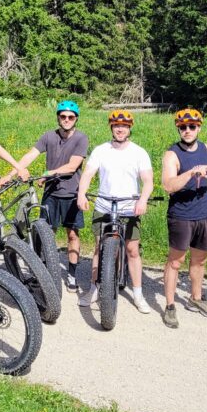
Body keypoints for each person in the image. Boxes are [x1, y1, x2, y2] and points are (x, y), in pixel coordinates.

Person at [0, 100, 88, 292]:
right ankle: (45, 272)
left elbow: (72, 166)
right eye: (63, 116)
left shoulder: (81, 138)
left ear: (76, 119)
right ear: (58, 117)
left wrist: (48, 174)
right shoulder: (49, 136)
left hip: (71, 193)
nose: (66, 120)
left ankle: (71, 274)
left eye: (70, 117)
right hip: (51, 193)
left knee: (72, 234)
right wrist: (11, 173)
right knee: (47, 233)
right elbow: (30, 156)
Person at [76, 109, 153, 313]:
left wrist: (142, 200)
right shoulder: (101, 150)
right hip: (103, 206)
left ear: (129, 129)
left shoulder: (139, 152)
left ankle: (138, 293)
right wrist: (81, 194)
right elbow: (87, 174)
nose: (120, 129)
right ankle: (94, 288)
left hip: (129, 208)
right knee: (99, 248)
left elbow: (148, 181)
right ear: (111, 127)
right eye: (117, 126)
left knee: (132, 250)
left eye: (124, 126)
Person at [160, 107, 207, 329]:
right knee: (175, 262)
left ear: (199, 127)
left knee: (200, 260)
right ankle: (169, 306)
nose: (187, 130)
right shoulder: (172, 154)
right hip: (181, 216)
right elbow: (168, 185)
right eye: (183, 127)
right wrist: (190, 173)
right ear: (178, 128)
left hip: (203, 214)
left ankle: (196, 298)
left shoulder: (206, 148)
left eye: (192, 126)